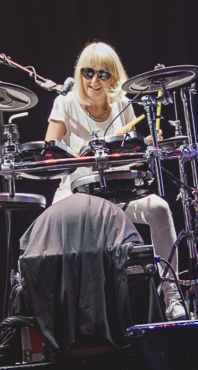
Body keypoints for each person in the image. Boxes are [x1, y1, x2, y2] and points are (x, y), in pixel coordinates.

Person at [44, 41, 188, 321]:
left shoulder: (123, 104)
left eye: (102, 74)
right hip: (75, 193)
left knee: (159, 208)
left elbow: (129, 157)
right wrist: (84, 152)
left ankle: (172, 297)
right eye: (88, 73)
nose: (94, 81)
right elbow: (49, 153)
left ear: (114, 77)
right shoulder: (65, 103)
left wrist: (139, 149)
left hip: (117, 191)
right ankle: (76, 313)